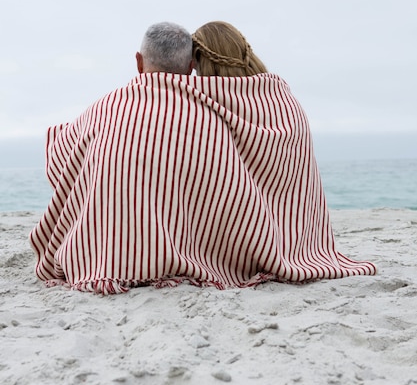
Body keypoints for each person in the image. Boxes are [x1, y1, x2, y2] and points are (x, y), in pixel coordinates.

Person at [30, 21, 376, 295]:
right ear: (191, 65)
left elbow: (65, 153)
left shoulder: (110, 105)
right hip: (262, 242)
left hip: (102, 255)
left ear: (138, 61)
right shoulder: (231, 108)